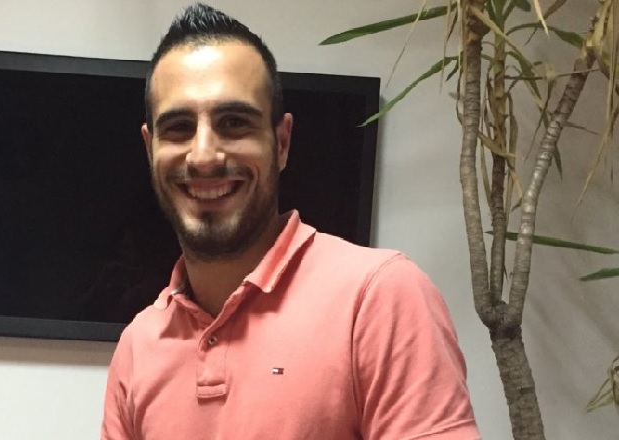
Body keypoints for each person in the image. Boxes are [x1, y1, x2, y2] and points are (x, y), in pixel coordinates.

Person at [102, 3, 481, 439]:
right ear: (149, 148)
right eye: (179, 127)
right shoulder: (138, 345)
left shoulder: (378, 297)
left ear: (281, 143)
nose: (204, 155)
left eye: (234, 123)